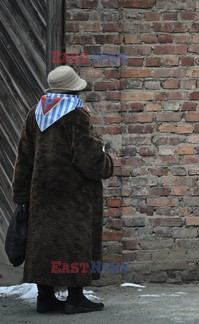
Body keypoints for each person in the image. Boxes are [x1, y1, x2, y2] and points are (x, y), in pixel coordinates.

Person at [12, 65, 114, 314]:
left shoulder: (35, 112)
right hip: (73, 196)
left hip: (41, 196)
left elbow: (23, 157)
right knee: (74, 242)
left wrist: (22, 196)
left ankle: (44, 298)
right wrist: (107, 160)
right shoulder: (76, 115)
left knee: (44, 243)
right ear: (74, 88)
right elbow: (89, 162)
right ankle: (75, 298)